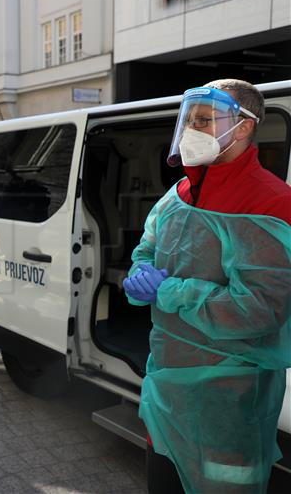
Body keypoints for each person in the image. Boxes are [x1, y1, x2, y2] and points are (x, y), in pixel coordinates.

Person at [123, 79, 291, 493]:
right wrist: (140, 276)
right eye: (189, 119)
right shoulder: (178, 194)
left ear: (244, 126)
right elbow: (147, 251)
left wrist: (170, 292)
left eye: (204, 119)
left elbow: (259, 310)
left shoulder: (271, 201)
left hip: (228, 404)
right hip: (165, 394)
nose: (190, 131)